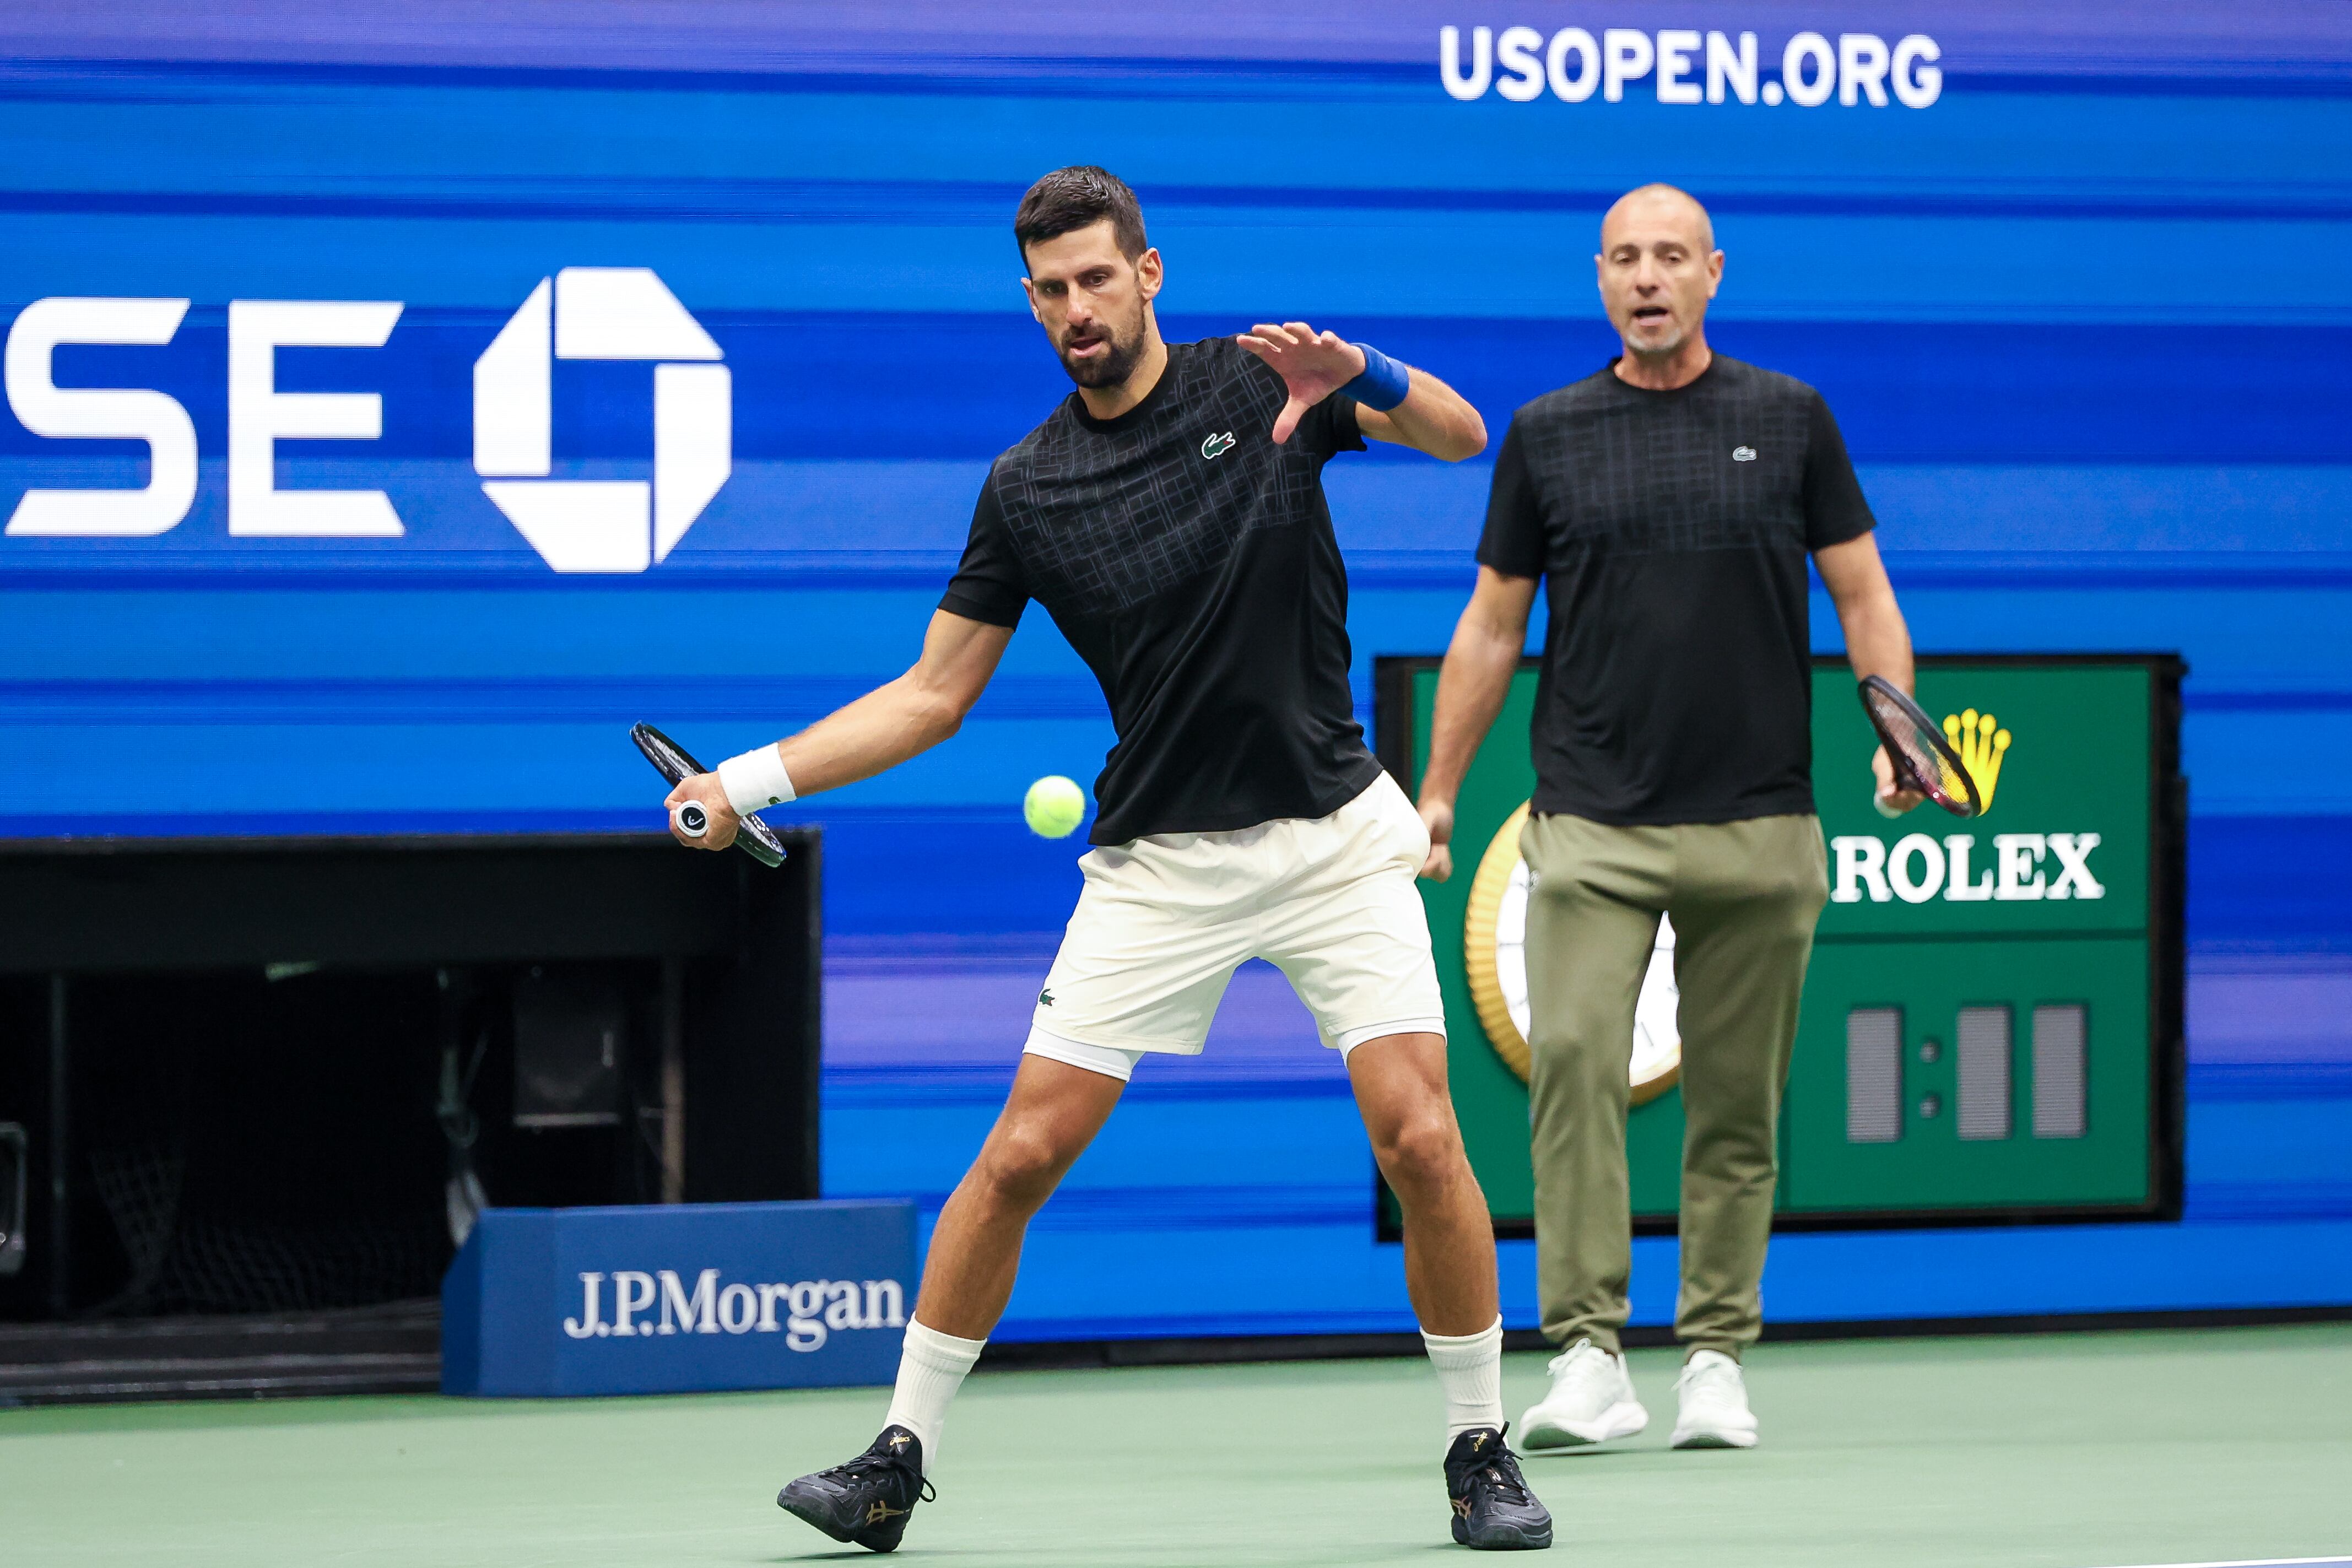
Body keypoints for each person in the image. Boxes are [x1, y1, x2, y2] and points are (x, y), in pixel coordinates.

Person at [664, 166, 1553, 1553]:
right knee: (1018, 1155)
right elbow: (930, 697)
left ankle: (1477, 1448)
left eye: (1097, 278)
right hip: (1158, 863)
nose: (1076, 307)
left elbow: (1458, 431)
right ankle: (895, 1458)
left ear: (1149, 274)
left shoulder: (1263, 386)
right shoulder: (1025, 485)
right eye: (1050, 291)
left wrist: (1361, 369)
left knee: (1421, 1137)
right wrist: (746, 778)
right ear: (1031, 304)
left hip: (1330, 834)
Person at [1413, 184, 1920, 1455]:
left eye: (1672, 258)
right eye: (1626, 259)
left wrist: (1897, 728)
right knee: (1573, 1065)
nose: (1648, 278)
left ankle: (1712, 1356)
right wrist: (1432, 791)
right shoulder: (1546, 431)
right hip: (1588, 823)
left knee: (1737, 1104)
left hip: (1759, 827)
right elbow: (1488, 624)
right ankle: (1586, 1353)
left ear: (1712, 275)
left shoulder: (1789, 418)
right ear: (1599, 279)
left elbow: (1860, 593)